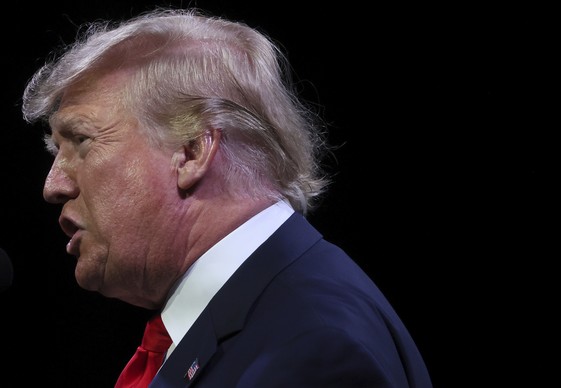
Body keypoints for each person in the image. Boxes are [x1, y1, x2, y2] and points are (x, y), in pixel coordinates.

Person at [21, 7, 432, 388]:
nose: (53, 185)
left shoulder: (313, 346)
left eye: (80, 141)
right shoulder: (252, 320)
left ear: (192, 152)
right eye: (56, 152)